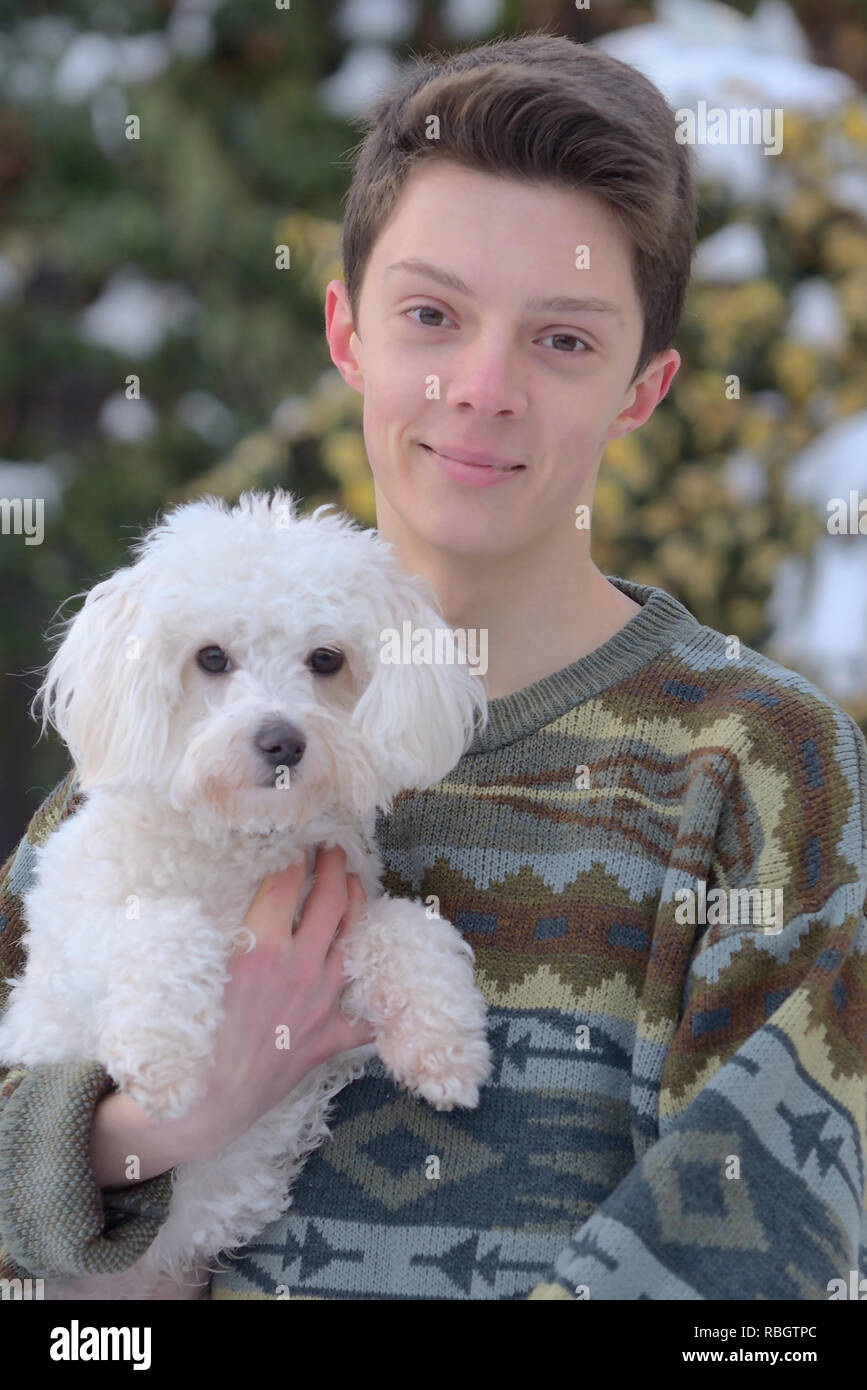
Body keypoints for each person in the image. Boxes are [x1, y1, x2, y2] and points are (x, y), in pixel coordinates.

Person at [2, 30, 866, 1302]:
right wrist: (146, 1134)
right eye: (431, 314)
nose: (481, 387)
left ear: (645, 385)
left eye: (563, 340)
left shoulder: (756, 769)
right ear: (348, 332)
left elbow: (755, 1269)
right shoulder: (139, 782)